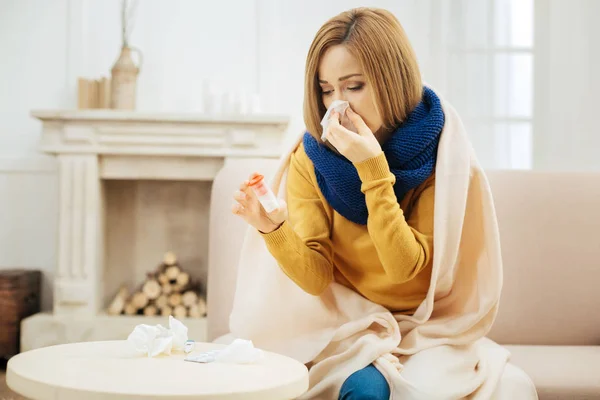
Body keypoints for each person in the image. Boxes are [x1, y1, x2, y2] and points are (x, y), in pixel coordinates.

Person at [232, 7, 479, 400]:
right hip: (348, 323)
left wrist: (371, 167)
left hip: (427, 326)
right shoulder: (311, 158)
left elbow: (404, 269)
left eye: (354, 86)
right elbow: (316, 277)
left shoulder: (439, 152)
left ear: (392, 81)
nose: (337, 107)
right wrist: (272, 228)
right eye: (327, 90)